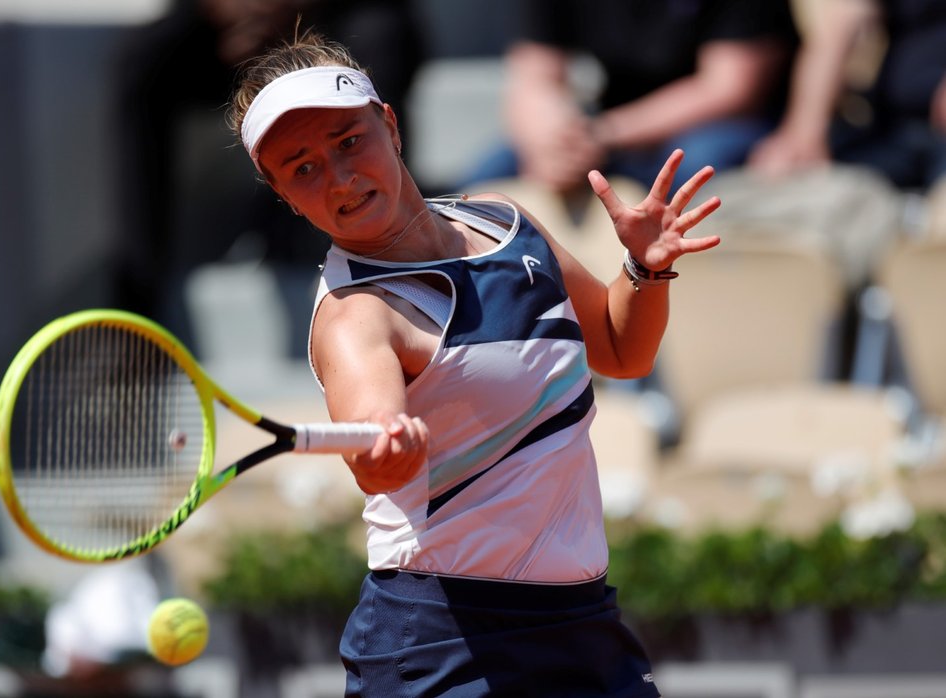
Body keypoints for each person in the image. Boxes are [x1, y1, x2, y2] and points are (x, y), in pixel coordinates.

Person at [230, 28, 722, 697]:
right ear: (283, 194)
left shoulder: (507, 224)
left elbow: (619, 348)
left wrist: (643, 269)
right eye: (304, 168)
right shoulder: (358, 316)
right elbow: (375, 452)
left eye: (350, 142)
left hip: (581, 623)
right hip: (440, 641)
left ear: (390, 125)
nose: (340, 179)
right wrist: (390, 449)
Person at [112, 0, 422, 349]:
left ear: (390, 126)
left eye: (349, 143)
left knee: (381, 35)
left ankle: (394, 254)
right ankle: (138, 311)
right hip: (228, 20)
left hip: (326, 18)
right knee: (143, 59)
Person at [464, 0, 797, 193]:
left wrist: (601, 135)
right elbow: (533, 76)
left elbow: (730, 89)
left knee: (694, 164)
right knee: (490, 175)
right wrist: (551, 141)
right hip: (608, 124)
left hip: (723, 123)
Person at [748, 0, 946, 192]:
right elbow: (840, 25)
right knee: (788, 186)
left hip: (938, 136)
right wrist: (802, 133)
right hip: (891, 129)